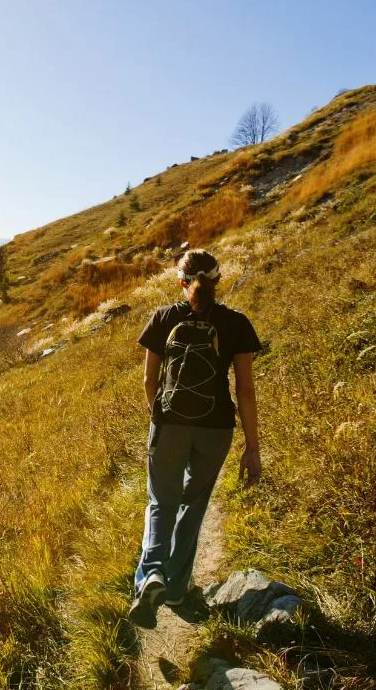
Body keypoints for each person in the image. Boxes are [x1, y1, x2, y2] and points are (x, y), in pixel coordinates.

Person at [128, 249, 262, 629]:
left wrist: (160, 419)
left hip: (169, 423)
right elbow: (246, 391)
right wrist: (252, 448)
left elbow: (148, 381)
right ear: (218, 281)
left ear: (181, 283)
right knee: (193, 505)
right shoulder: (236, 323)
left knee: (161, 501)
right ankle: (175, 588)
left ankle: (150, 575)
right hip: (216, 428)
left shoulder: (164, 318)